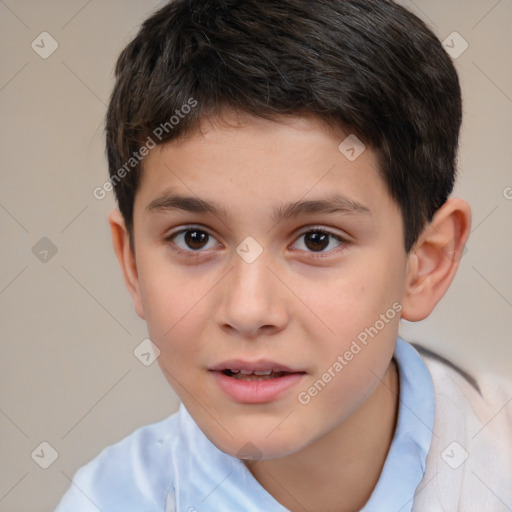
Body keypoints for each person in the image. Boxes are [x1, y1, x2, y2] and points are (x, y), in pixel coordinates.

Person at [56, 0, 512, 510]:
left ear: (425, 263)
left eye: (317, 239)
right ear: (133, 264)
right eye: (195, 239)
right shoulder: (108, 498)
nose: (249, 311)